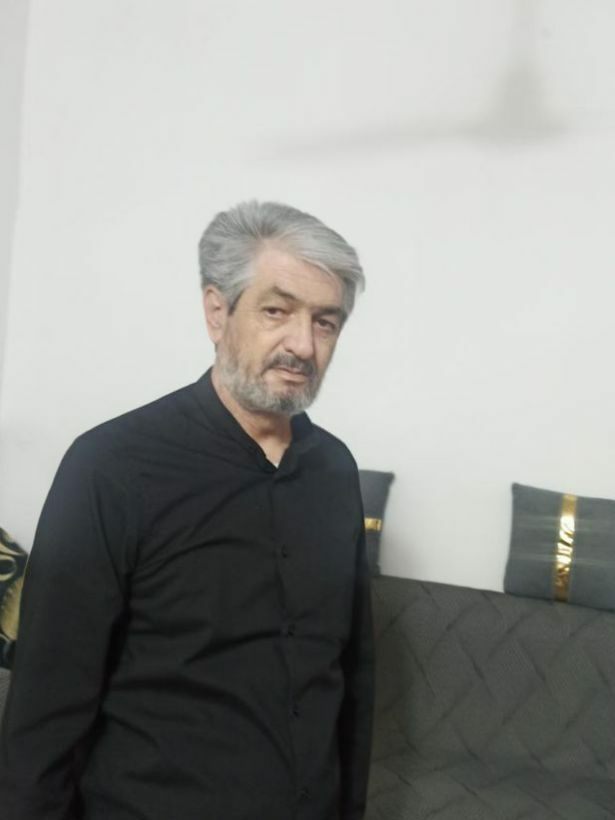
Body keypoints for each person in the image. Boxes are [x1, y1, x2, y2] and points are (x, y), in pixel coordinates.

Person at [0, 200, 374, 820]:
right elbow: (46, 708)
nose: (303, 345)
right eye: (277, 311)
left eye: (325, 322)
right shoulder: (111, 467)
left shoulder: (335, 470)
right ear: (217, 311)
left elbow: (352, 678)